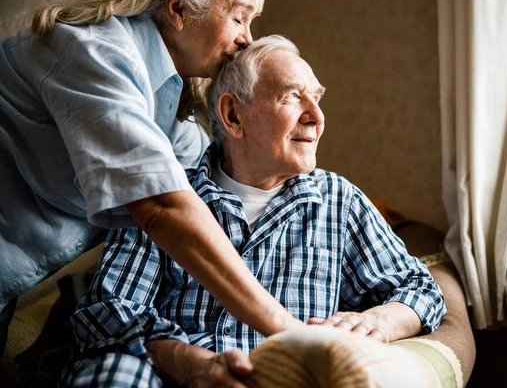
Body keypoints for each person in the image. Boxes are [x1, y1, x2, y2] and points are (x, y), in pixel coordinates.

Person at [62, 35, 447, 387]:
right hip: (171, 376)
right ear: (233, 116)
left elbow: (420, 290)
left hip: (279, 378)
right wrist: (188, 362)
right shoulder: (164, 193)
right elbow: (109, 311)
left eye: (317, 98)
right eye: (292, 97)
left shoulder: (339, 201)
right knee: (115, 372)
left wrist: (376, 320)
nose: (316, 116)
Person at [0, 0, 307, 358]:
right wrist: (290, 330)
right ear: (178, 8)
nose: (248, 39)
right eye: (238, 17)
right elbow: (163, 205)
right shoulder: (93, 52)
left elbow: (215, 176)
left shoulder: (166, 98)